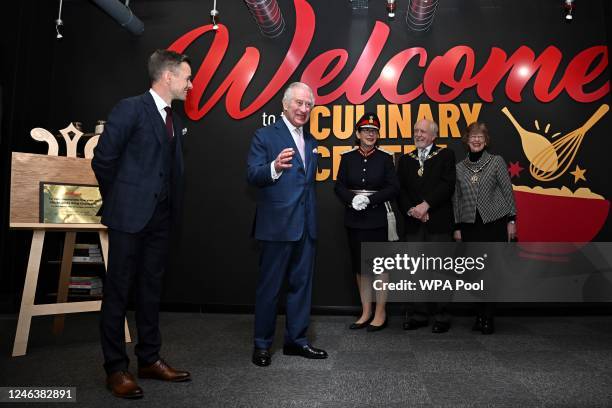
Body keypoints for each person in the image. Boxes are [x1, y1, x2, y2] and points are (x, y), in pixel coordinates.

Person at [92, 49, 192, 399]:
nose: (190, 85)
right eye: (186, 77)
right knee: (117, 292)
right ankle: (116, 369)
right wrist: (121, 200)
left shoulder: (173, 120)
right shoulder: (130, 108)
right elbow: (103, 160)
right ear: (168, 77)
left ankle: (149, 359)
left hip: (161, 221)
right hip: (128, 217)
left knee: (151, 290)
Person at [247, 82, 327, 367]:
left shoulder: (312, 140)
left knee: (301, 287)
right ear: (285, 104)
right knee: (269, 289)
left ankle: (297, 341)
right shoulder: (265, 135)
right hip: (277, 227)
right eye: (299, 103)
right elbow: (253, 175)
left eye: (309, 105)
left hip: (306, 227)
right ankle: (262, 345)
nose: (304, 109)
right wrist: (275, 167)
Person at [334, 113, 399, 332]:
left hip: (377, 218)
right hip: (354, 218)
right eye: (366, 130)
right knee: (361, 268)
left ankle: (380, 312)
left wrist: (370, 199)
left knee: (379, 267)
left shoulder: (385, 158)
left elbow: (393, 187)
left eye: (374, 131)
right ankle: (366, 311)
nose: (370, 134)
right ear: (357, 134)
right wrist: (352, 199)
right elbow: (339, 186)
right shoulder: (347, 158)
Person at [452, 122, 517, 335]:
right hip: (470, 226)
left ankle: (488, 317)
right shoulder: (459, 168)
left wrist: (512, 220)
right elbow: (457, 199)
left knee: (491, 273)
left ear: (486, 140)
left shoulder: (496, 162)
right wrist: (457, 226)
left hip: (494, 224)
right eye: (473, 136)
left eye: (480, 136)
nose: (477, 139)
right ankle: (479, 314)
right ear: (467, 140)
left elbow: (508, 191)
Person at [397, 119, 456, 333]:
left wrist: (426, 205)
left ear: (433, 135)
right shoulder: (405, 160)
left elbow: (447, 185)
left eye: (423, 131)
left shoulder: (446, 155)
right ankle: (419, 314)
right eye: (416, 131)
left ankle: (442, 316)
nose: (418, 135)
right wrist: (413, 210)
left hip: (438, 222)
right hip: (414, 223)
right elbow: (401, 190)